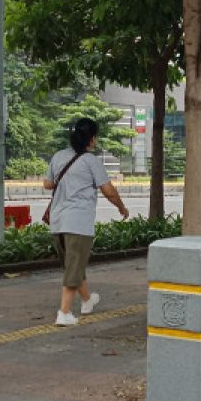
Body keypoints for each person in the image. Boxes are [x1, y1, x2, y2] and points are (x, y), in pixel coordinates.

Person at [45, 117, 129, 326]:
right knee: (74, 267)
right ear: (91, 139)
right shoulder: (91, 161)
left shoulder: (58, 156)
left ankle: (87, 300)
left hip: (57, 221)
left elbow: (47, 184)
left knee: (74, 263)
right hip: (78, 222)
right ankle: (64, 313)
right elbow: (108, 190)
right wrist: (121, 207)